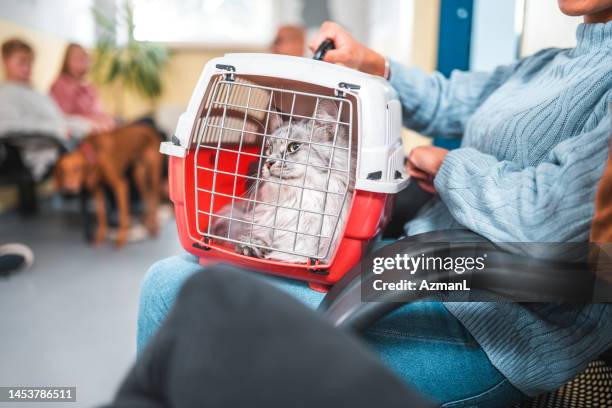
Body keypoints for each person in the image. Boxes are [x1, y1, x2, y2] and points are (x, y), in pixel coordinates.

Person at [136, 1, 612, 406]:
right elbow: (448, 99)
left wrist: (449, 167)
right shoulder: (544, 65)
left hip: (494, 322)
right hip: (413, 267)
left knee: (173, 288)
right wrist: (370, 63)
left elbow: (549, 220)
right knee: (192, 275)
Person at [50, 43, 115, 132]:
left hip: (100, 129)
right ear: (67, 61)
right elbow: (61, 116)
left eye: (85, 57)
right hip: (81, 130)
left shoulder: (89, 88)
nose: (83, 60)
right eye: (77, 57)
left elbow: (98, 112)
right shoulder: (60, 84)